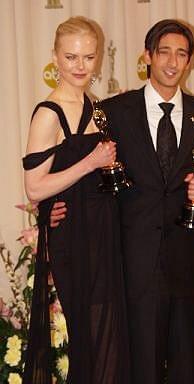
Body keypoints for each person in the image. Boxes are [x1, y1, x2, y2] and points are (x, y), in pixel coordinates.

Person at [52, 19, 194, 384]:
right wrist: (54, 210)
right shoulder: (113, 112)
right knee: (136, 367)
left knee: (186, 365)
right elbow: (88, 177)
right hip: (130, 265)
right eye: (164, 52)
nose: (172, 62)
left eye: (181, 54)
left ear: (190, 60)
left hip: (186, 263)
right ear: (147, 55)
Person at [22, 16, 130, 384]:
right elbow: (34, 188)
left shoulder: (96, 105)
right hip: (76, 239)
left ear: (98, 57)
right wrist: (91, 162)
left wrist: (109, 166)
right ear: (55, 57)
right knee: (91, 339)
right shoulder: (48, 113)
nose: (80, 66)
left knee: (109, 338)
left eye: (88, 57)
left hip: (104, 231)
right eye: (71, 57)